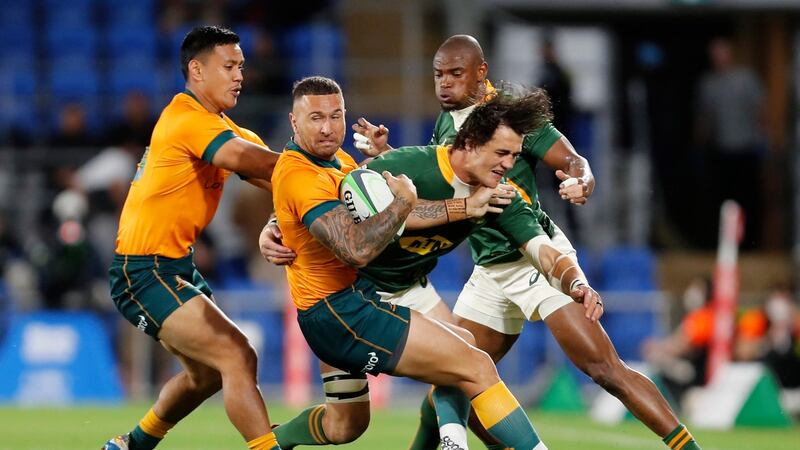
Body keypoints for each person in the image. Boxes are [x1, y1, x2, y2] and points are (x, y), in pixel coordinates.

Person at [349, 34, 702, 450]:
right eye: (438, 75)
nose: (444, 84)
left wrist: (581, 180)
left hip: (535, 256)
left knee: (603, 368)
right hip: (489, 269)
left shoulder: (511, 118)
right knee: (455, 375)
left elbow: (573, 161)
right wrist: (386, 153)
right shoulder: (447, 123)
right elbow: (446, 179)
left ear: (482, 73)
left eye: (455, 74)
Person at [270, 76, 583, 450]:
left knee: (345, 426)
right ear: (293, 121)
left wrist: (275, 226)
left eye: (336, 116)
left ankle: (273, 442)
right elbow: (356, 247)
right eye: (316, 117)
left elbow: (314, 208)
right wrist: (408, 204)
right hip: (344, 310)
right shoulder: (300, 172)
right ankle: (459, 443)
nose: (328, 127)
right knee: (474, 364)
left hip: (354, 303)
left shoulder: (338, 162)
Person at [102, 26, 283, 450]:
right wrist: (342, 183)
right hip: (143, 269)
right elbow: (255, 161)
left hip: (174, 267)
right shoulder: (186, 119)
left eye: (241, 66)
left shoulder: (216, 124)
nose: (240, 75)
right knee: (237, 355)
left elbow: (281, 168)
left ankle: (130, 445)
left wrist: (346, 172)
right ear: (197, 70)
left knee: (205, 375)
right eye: (230, 66)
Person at [694, 37, 766, 248]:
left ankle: (751, 244)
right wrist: (699, 146)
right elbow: (704, 118)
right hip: (720, 152)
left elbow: (760, 111)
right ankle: (721, 243)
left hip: (746, 149)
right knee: (720, 200)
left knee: (749, 199)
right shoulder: (708, 84)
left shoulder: (746, 79)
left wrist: (765, 142)